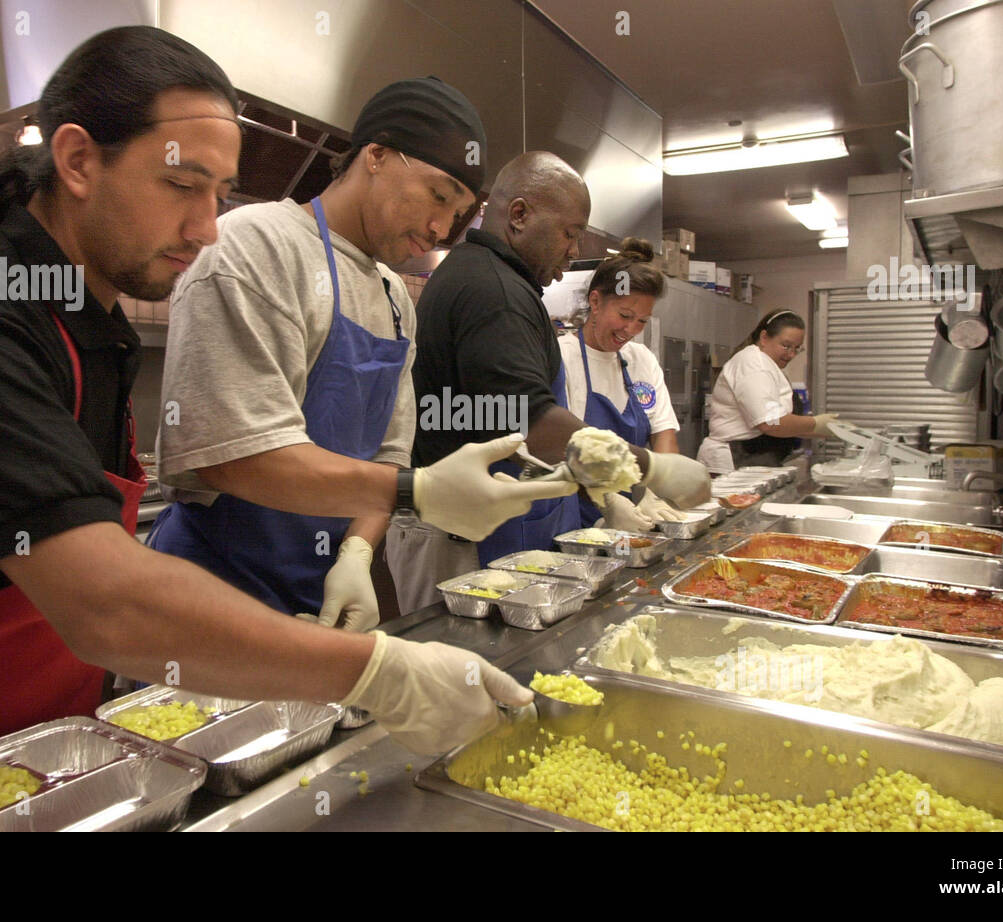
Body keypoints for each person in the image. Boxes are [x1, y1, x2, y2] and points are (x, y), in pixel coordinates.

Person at [0, 28, 536, 751]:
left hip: (40, 746)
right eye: (182, 185)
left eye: (220, 194)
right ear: (76, 160)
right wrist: (379, 670)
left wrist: (357, 553)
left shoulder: (94, 330)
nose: (206, 230)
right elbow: (106, 603)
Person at [146, 77, 572, 635]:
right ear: (375, 154)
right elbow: (230, 453)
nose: (441, 227)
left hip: (320, 591)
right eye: (438, 195)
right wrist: (418, 493)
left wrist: (354, 555)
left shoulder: (396, 298)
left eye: (461, 212)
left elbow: (387, 457)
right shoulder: (255, 245)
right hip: (215, 587)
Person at [394, 152, 712, 615]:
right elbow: (532, 420)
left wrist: (604, 495)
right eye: (570, 232)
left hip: (473, 522)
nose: (573, 248)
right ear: (519, 215)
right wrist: (650, 469)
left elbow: (507, 423)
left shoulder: (496, 280)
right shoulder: (493, 291)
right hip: (453, 531)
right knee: (455, 667)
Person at [558, 237, 685, 532]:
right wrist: (607, 502)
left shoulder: (641, 359)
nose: (631, 330)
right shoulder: (563, 357)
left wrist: (657, 490)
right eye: (625, 316)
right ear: (596, 302)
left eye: (642, 321)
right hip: (572, 519)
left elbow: (663, 433)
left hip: (626, 522)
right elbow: (555, 447)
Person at [696, 309, 838, 473]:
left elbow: (776, 421)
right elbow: (770, 422)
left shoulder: (768, 365)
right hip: (733, 461)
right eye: (786, 346)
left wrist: (827, 430)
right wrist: (814, 423)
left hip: (752, 459)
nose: (791, 354)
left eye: (797, 348)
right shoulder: (754, 364)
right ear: (764, 338)